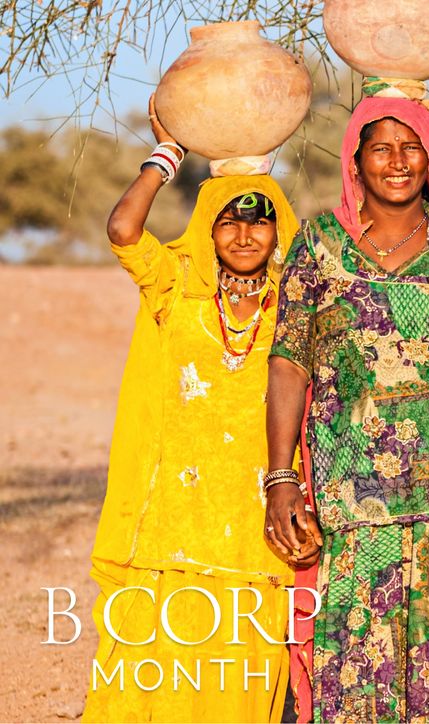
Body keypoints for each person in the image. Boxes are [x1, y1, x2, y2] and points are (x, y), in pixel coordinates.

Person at [265, 84, 429, 722]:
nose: (396, 160)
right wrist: (279, 477)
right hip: (352, 491)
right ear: (354, 162)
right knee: (358, 660)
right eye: (378, 148)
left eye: (411, 146)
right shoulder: (318, 245)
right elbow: (288, 364)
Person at [85, 98, 301, 722]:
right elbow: (124, 231)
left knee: (238, 683)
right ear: (208, 227)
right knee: (152, 672)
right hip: (168, 527)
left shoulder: (298, 304)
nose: (243, 234)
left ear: (278, 228)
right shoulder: (176, 285)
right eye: (228, 221)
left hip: (254, 526)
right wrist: (167, 155)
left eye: (258, 221)